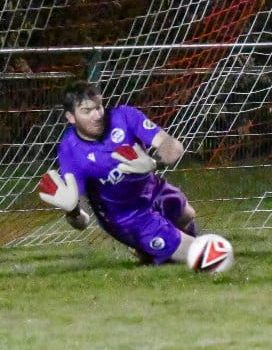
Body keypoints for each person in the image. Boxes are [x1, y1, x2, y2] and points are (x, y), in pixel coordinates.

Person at [37, 80, 198, 264]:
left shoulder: (125, 116)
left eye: (98, 107)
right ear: (71, 117)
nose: (97, 116)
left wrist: (154, 162)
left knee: (187, 215)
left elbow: (173, 146)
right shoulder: (70, 151)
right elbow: (83, 220)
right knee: (199, 252)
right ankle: (156, 246)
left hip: (153, 190)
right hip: (126, 217)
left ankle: (148, 252)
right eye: (86, 111)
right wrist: (72, 211)